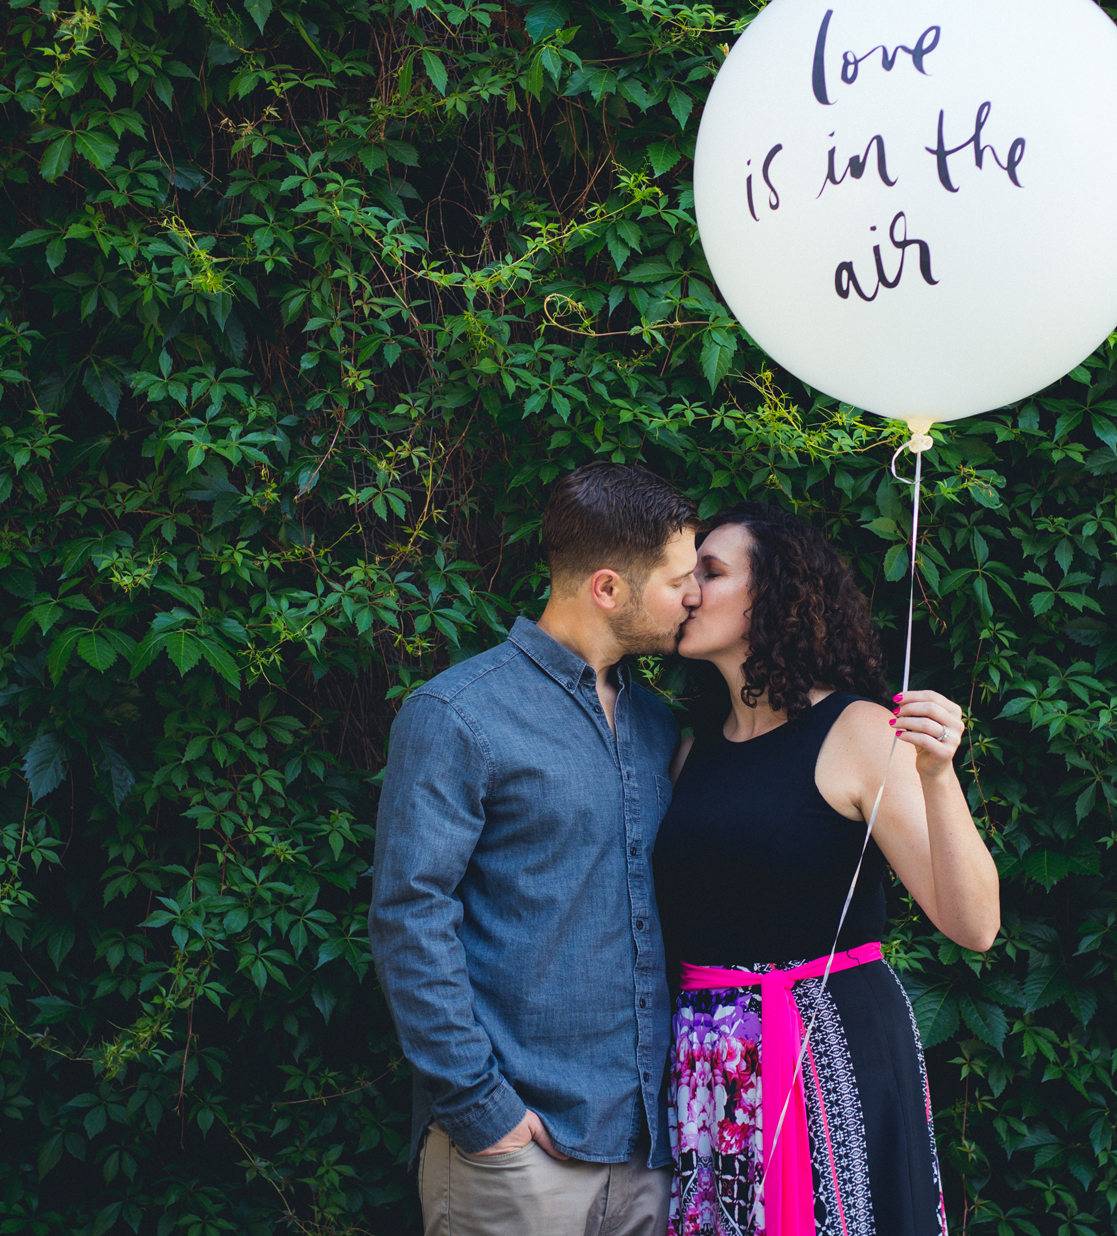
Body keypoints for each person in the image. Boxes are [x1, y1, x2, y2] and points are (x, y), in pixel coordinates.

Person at [371, 462, 703, 1236]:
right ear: (609, 588)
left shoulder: (657, 723)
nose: (695, 595)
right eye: (680, 579)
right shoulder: (457, 714)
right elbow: (407, 918)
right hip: (517, 1154)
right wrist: (486, 1113)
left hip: (646, 1150)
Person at [654, 502, 1000, 1236]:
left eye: (709, 571)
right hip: (708, 1068)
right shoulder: (690, 750)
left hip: (829, 1052)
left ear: (771, 593)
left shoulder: (856, 731)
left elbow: (975, 926)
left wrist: (939, 776)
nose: (687, 588)